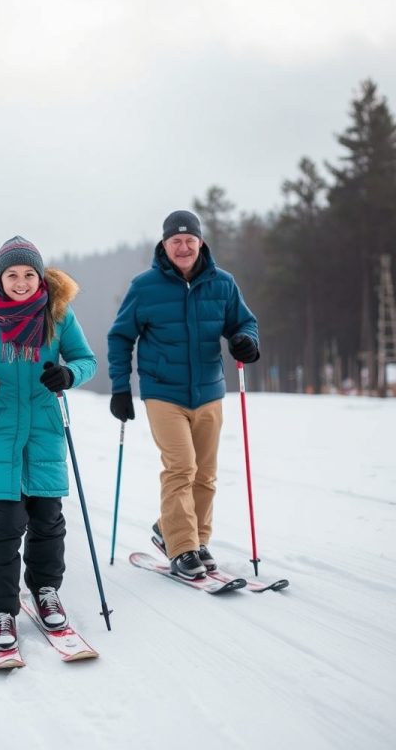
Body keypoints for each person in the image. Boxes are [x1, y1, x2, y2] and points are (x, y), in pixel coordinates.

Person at [0, 236, 97, 650]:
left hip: (45, 429)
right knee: (6, 524)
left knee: (48, 518)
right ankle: (2, 612)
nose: (22, 282)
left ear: (40, 276)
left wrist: (69, 376)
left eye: (30, 273)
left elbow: (86, 360)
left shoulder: (58, 314)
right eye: (13, 274)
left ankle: (46, 591)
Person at [107, 210, 259, 580]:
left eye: (190, 239)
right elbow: (120, 336)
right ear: (164, 245)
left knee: (205, 474)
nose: (183, 246)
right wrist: (120, 387)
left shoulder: (223, 284)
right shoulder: (145, 286)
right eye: (175, 240)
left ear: (201, 242)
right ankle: (181, 547)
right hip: (163, 391)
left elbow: (244, 323)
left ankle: (192, 537)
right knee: (182, 467)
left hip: (209, 390)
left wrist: (246, 342)